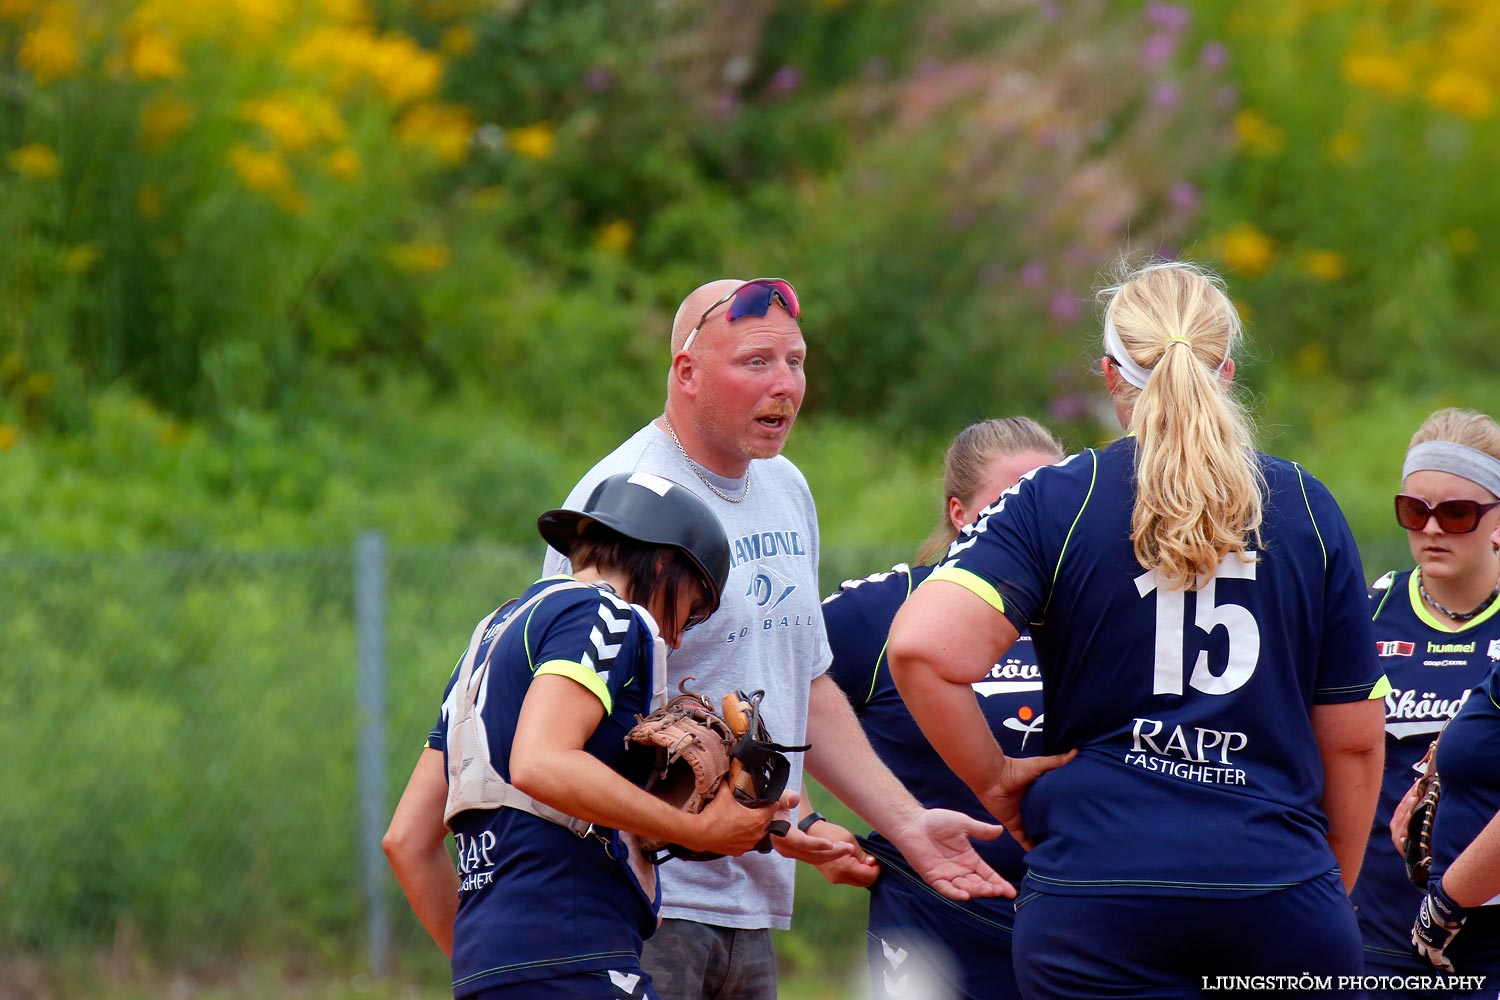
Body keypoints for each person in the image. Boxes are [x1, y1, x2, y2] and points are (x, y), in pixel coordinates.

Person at [887, 259, 1390, 999]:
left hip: (1098, 895)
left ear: (1109, 374)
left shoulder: (1059, 495)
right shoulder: (1306, 505)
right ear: (1224, 368)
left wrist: (996, 784)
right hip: (1275, 889)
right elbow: (1353, 737)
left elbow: (920, 649)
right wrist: (1318, 892)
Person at [543, 277, 1013, 1000]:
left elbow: (807, 683)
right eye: (757, 362)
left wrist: (904, 824)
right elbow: (567, 732)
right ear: (687, 373)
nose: (785, 385)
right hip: (641, 899)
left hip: (751, 897)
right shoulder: (620, 501)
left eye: (795, 362)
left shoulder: (785, 486)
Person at [383, 472, 791, 999]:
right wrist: (698, 832)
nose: (678, 634)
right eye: (691, 608)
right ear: (665, 560)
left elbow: (407, 842)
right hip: (578, 954)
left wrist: (500, 967)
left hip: (494, 968)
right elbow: (542, 762)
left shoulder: (493, 638)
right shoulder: (605, 613)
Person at [821, 416, 1065, 1000]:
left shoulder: (1094, 609)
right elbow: (773, 682)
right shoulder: (888, 609)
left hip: (1074, 915)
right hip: (934, 918)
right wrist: (799, 821)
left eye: (1048, 501)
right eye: (1011, 502)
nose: (1033, 522)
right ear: (959, 514)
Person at [1358, 409, 1500, 996]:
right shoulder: (1364, 613)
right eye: (1415, 511)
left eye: (1458, 512)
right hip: (1378, 935)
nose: (1433, 529)